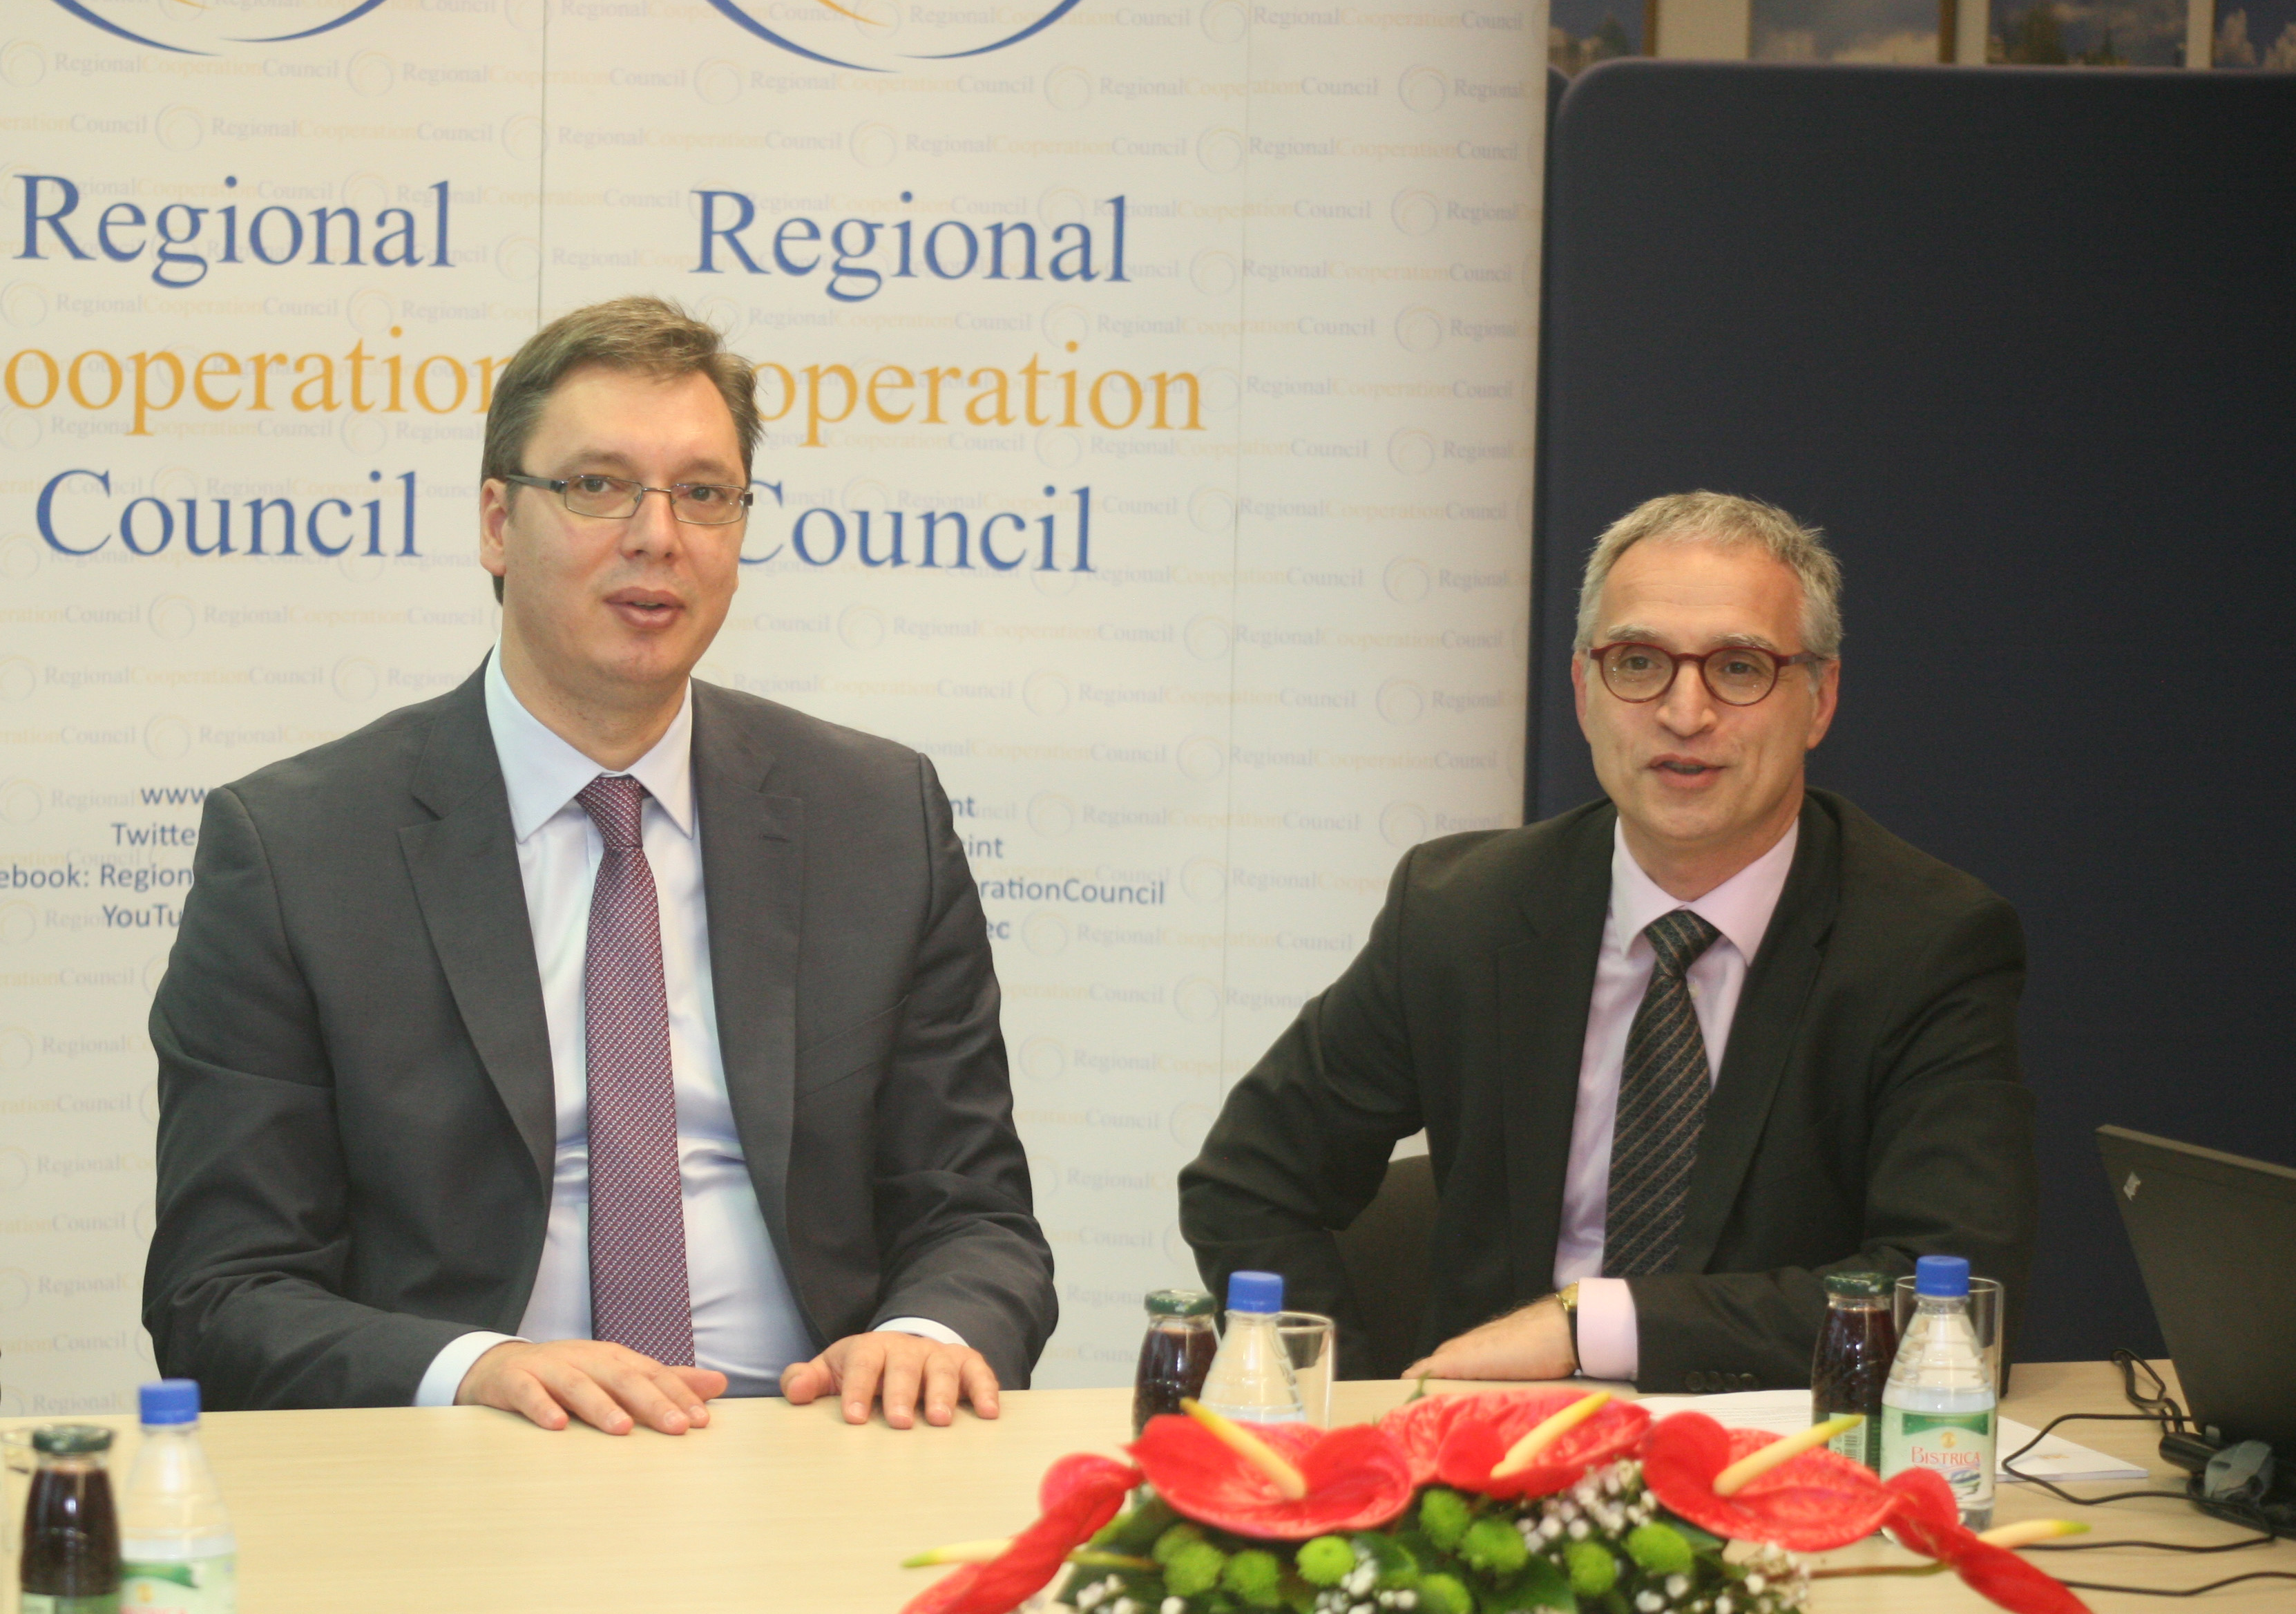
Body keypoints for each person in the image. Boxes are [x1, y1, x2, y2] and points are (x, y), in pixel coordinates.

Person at [146, 297, 1054, 1435]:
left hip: (814, 1446)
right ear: (495, 522)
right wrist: (474, 1369)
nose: (656, 536)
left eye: (704, 495)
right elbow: (219, 1294)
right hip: (475, 1460)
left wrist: (924, 1339)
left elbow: (975, 1216)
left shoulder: (876, 818)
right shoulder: (298, 850)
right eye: (596, 486)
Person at [1179, 492, 2035, 1390]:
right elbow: (1248, 1183)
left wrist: (1592, 1327)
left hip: (1776, 1468)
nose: (1684, 712)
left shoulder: (1926, 944)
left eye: (1739, 668)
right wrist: (1351, 1408)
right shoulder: (1461, 913)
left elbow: (1951, 1296)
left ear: (1818, 699)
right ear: (1586, 691)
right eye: (1639, 663)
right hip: (1486, 1473)